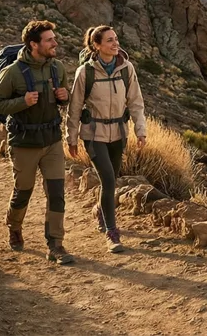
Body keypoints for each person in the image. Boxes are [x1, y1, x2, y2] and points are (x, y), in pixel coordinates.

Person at [0, 20, 75, 265]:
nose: (55, 43)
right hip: (24, 142)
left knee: (56, 193)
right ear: (34, 44)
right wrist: (22, 102)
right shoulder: (12, 72)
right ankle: (14, 226)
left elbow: (64, 98)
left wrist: (65, 97)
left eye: (54, 38)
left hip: (52, 141)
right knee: (23, 191)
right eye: (49, 40)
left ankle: (55, 244)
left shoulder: (57, 68)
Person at [66, 25, 147, 254]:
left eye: (116, 39)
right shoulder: (85, 72)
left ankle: (101, 211)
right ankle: (112, 233)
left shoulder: (126, 68)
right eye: (109, 40)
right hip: (94, 134)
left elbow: (136, 102)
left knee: (110, 180)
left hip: (119, 133)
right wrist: (71, 137)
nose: (115, 43)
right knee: (109, 180)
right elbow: (74, 107)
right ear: (97, 45)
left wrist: (140, 130)